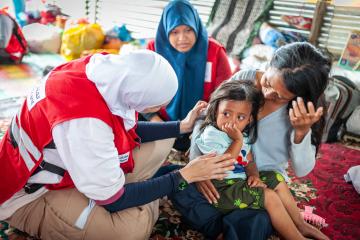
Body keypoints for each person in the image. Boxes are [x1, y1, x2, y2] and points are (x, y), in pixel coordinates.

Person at [0, 50, 236, 240]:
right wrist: (182, 176)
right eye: (155, 105)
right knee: (129, 232)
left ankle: (145, 187)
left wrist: (180, 127)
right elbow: (113, 201)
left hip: (68, 163)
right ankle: (151, 189)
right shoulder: (84, 123)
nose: (159, 108)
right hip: (28, 195)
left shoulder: (103, 71)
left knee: (165, 138)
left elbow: (125, 128)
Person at [170, 42, 332, 239]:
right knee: (174, 180)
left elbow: (301, 170)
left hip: (260, 181)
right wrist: (198, 167)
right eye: (267, 83)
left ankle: (297, 225)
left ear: (299, 98)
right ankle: (225, 223)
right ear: (269, 64)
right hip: (221, 175)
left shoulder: (301, 114)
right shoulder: (244, 79)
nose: (267, 94)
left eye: (280, 97)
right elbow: (206, 118)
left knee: (260, 215)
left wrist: (301, 133)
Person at [194, 80, 329, 240]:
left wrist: (254, 176)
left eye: (240, 117)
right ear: (216, 110)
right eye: (226, 114)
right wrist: (237, 141)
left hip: (238, 183)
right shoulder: (212, 134)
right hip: (220, 190)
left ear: (249, 120)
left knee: (275, 177)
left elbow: (250, 162)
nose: (232, 121)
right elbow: (224, 164)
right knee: (269, 196)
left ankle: (300, 224)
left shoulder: (242, 136)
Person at [144, 0, 232, 150]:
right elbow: (141, 92)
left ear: (196, 26)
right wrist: (160, 125)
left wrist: (202, 125)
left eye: (188, 30)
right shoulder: (153, 49)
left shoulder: (214, 51)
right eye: (174, 32)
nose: (182, 38)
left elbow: (226, 94)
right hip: (162, 123)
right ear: (165, 31)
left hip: (202, 124)